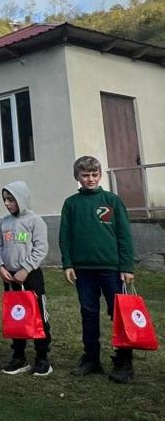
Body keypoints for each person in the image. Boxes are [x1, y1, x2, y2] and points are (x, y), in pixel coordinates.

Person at [60, 156, 135, 383]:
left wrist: (127, 266)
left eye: (94, 174)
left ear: (100, 175)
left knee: (118, 315)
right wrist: (68, 263)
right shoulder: (71, 203)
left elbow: (124, 235)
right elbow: (65, 237)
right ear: (77, 177)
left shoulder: (111, 200)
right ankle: (91, 358)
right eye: (85, 175)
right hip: (84, 271)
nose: (90, 179)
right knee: (89, 313)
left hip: (112, 270)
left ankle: (123, 362)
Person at [0, 181, 52, 376]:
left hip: (30, 277)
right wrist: (0, 265)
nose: (7, 203)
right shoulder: (4, 222)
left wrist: (25, 269)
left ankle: (42, 357)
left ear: (21, 198)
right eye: (4, 200)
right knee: (16, 316)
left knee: (37, 316)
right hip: (10, 278)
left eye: (10, 199)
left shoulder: (35, 221)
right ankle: (19, 356)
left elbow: (41, 248)